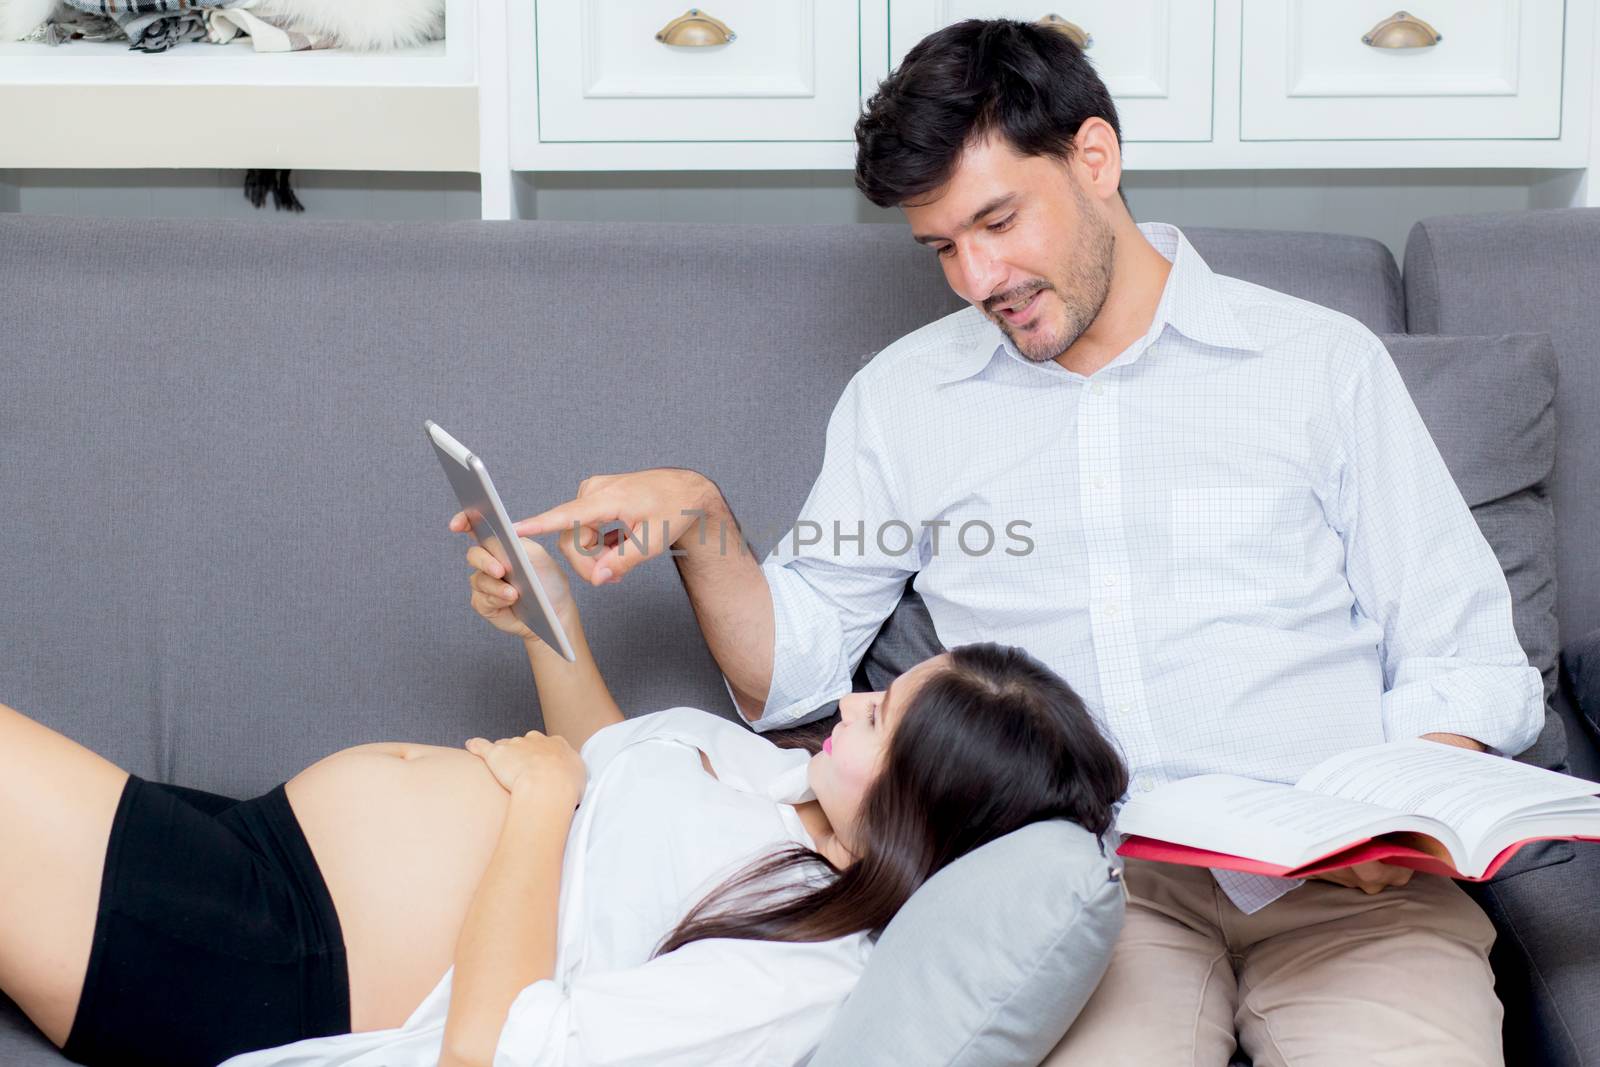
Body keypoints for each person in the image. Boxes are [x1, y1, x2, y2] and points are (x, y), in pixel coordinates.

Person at [492, 18, 1544, 1067]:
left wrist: (1395, 816)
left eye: (997, 221)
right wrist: (698, 519)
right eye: (943, 247)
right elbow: (792, 672)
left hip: (1349, 885)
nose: (977, 277)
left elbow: (1462, 654)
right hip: (1087, 890)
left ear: (1095, 157)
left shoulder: (1315, 365)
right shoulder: (907, 400)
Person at [0, 525, 1128, 1067]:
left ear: (925, 804)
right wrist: (546, 618)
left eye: (888, 718)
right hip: (257, 845)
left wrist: (537, 805)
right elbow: (619, 763)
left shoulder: (794, 975)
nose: (859, 702)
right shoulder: (783, 781)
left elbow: (492, 1056)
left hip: (272, 959)